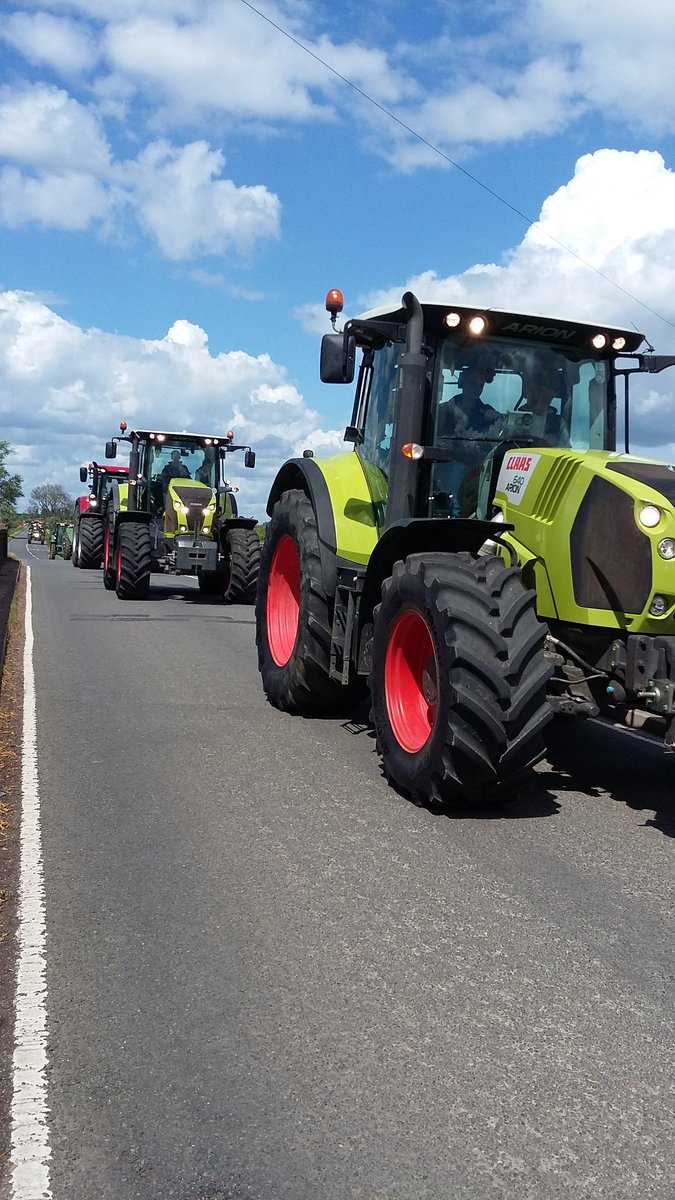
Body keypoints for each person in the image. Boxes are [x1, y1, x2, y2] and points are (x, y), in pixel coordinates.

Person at [437, 352, 502, 515]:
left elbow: (495, 441)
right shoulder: (444, 410)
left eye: (480, 386)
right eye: (473, 383)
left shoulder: (489, 414)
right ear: (463, 382)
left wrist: (496, 421)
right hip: (448, 467)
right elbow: (434, 438)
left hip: (477, 470)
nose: (476, 389)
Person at [519, 368, 571, 446]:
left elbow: (566, 449)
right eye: (532, 390)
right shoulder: (514, 418)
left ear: (551, 395)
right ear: (526, 392)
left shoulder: (558, 423)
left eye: (540, 391)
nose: (536, 395)